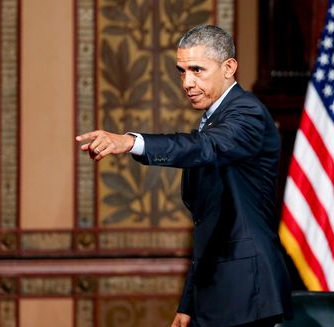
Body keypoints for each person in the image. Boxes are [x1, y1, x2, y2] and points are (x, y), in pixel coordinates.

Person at [76, 24, 293, 327]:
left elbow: (206, 148)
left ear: (229, 67)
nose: (187, 82)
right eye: (182, 71)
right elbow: (208, 226)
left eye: (197, 70)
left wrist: (130, 142)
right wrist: (189, 303)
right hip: (217, 291)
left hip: (247, 290)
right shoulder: (214, 120)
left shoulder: (247, 113)